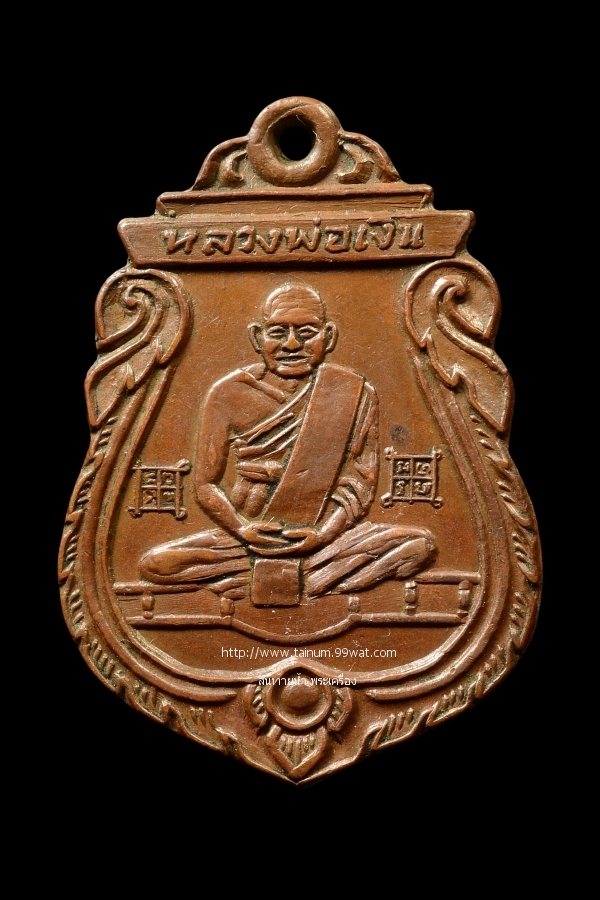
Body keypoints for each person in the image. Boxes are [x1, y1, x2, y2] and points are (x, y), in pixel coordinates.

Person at [140, 283, 436, 604]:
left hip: (326, 540)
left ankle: (280, 580)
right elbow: (206, 486)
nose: (292, 344)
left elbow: (360, 486)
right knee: (156, 564)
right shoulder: (228, 393)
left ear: (329, 337)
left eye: (306, 332)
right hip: (246, 539)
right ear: (257, 337)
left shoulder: (352, 392)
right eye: (278, 332)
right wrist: (242, 530)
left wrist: (322, 535)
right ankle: (310, 581)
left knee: (419, 547)